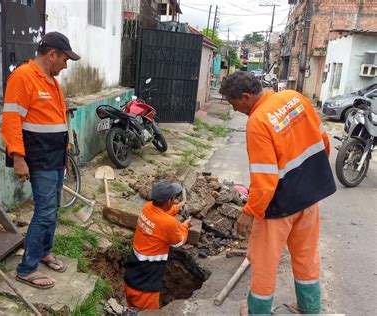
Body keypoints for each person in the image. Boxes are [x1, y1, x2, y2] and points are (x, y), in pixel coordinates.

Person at [219, 72, 336, 315]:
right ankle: (309, 307)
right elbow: (322, 140)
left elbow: (264, 178)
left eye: (234, 104)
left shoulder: (258, 121)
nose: (236, 110)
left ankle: (257, 311)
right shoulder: (295, 98)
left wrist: (249, 212)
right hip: (309, 198)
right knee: (306, 254)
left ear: (246, 97)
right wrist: (309, 180)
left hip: (280, 206)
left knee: (264, 262)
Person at [1, 32, 80, 289]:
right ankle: (27, 268)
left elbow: (58, 120)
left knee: (52, 208)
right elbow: (12, 120)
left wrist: (66, 152)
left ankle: (44, 251)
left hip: (55, 156)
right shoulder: (23, 77)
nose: (66, 66)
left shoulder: (52, 82)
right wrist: (18, 157)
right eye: (65, 60)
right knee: (44, 211)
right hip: (39, 158)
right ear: (52, 54)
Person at [123, 180, 191, 310]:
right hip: (146, 287)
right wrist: (185, 226)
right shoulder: (169, 223)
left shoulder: (147, 207)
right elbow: (179, 242)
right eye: (174, 198)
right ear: (168, 201)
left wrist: (179, 207)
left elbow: (161, 215)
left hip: (131, 276)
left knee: (132, 310)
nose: (175, 200)